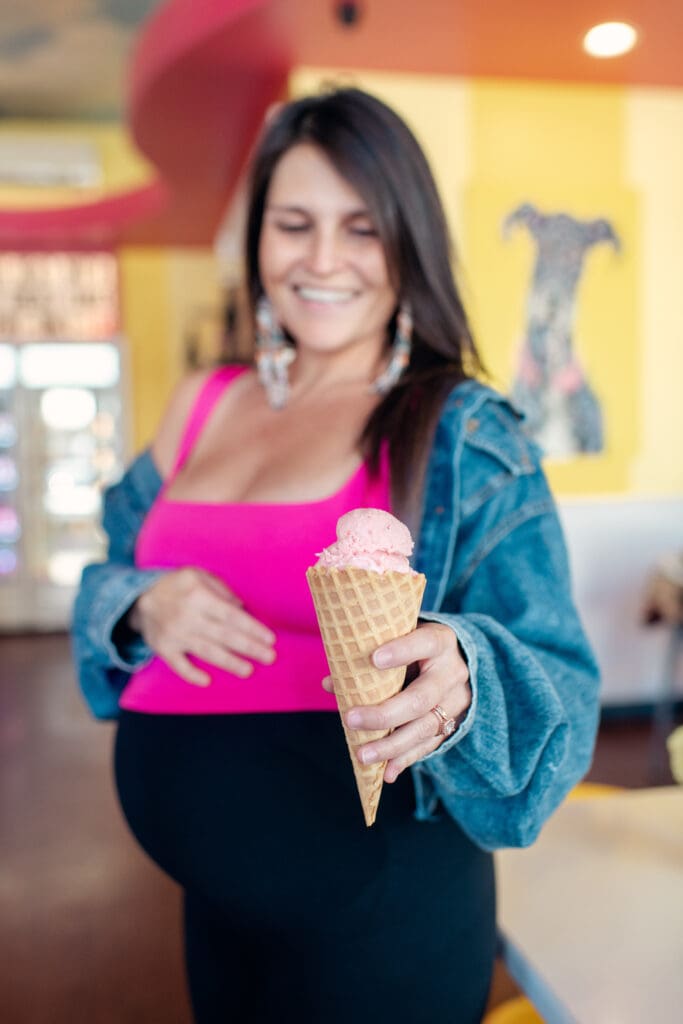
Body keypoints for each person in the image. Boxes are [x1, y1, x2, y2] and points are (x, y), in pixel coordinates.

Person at [72, 87, 600, 1023]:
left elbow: (562, 680)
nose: (321, 260)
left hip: (384, 917)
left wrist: (467, 677)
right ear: (257, 239)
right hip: (213, 915)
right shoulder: (202, 401)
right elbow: (109, 569)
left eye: (361, 229)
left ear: (409, 243)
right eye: (294, 224)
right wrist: (140, 600)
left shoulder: (466, 432)